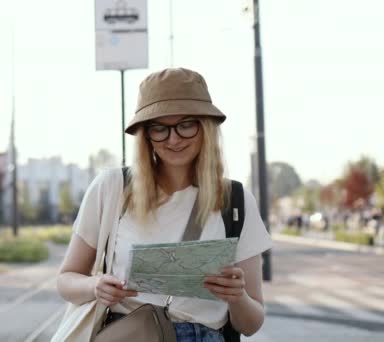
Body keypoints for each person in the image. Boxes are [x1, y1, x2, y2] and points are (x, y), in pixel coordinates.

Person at [56, 68, 273, 341]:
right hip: (131, 333)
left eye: (186, 125)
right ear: (146, 136)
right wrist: (95, 285)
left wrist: (237, 296)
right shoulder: (112, 188)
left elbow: (251, 324)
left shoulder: (236, 201)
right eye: (160, 128)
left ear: (205, 127)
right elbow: (66, 280)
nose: (173, 139)